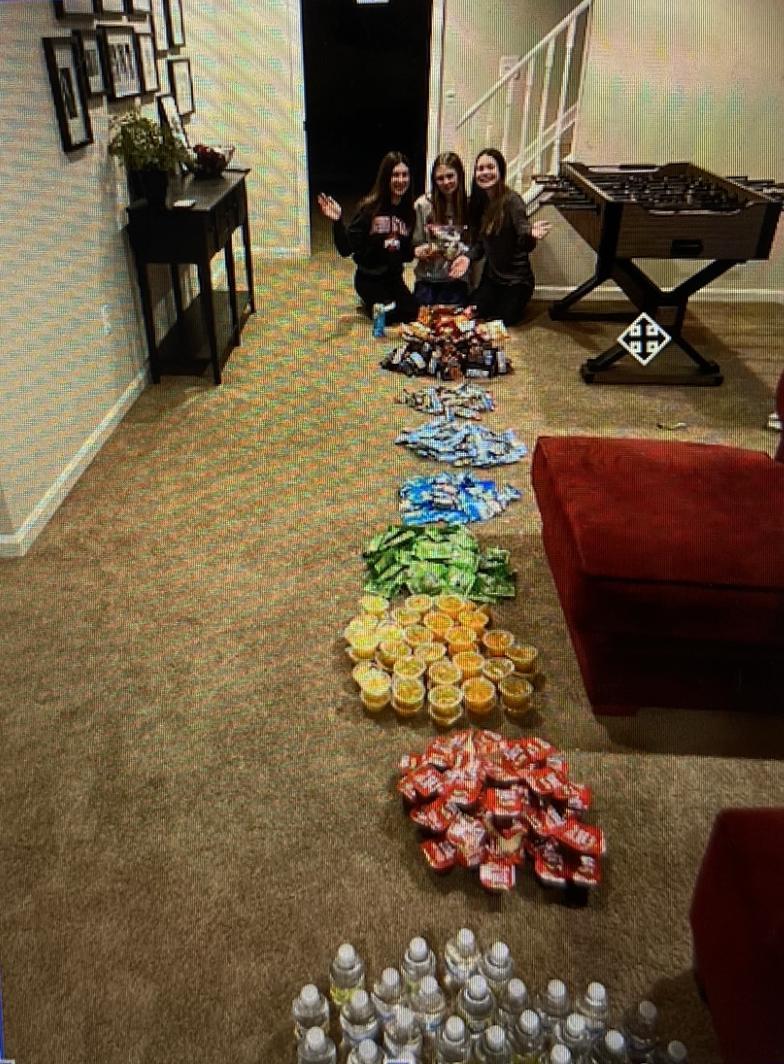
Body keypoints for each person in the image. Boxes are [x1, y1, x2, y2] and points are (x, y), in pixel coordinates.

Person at [450, 147, 552, 325]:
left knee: (502, 321)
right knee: (470, 312)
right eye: (480, 168)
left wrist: (530, 235)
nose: (485, 172)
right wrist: (467, 258)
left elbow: (525, 242)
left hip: (517, 281)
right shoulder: (479, 202)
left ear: (501, 171)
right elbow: (480, 245)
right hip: (491, 279)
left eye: (490, 167)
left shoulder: (513, 201)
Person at [316, 151, 418, 324]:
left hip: (393, 278)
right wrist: (338, 221)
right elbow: (345, 249)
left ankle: (381, 303)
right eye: (395, 175)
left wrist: (415, 251)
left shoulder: (409, 212)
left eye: (404, 175)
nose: (401, 180)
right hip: (369, 278)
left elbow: (406, 255)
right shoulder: (369, 209)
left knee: (411, 313)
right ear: (386, 178)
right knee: (387, 317)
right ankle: (368, 303)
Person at [412, 152, 470, 306]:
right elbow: (414, 244)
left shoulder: (469, 205)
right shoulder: (423, 205)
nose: (446, 182)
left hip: (456, 278)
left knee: (453, 317)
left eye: (450, 176)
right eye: (440, 178)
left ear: (459, 175)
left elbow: (474, 245)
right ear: (434, 180)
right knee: (422, 316)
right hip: (427, 277)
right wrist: (419, 250)